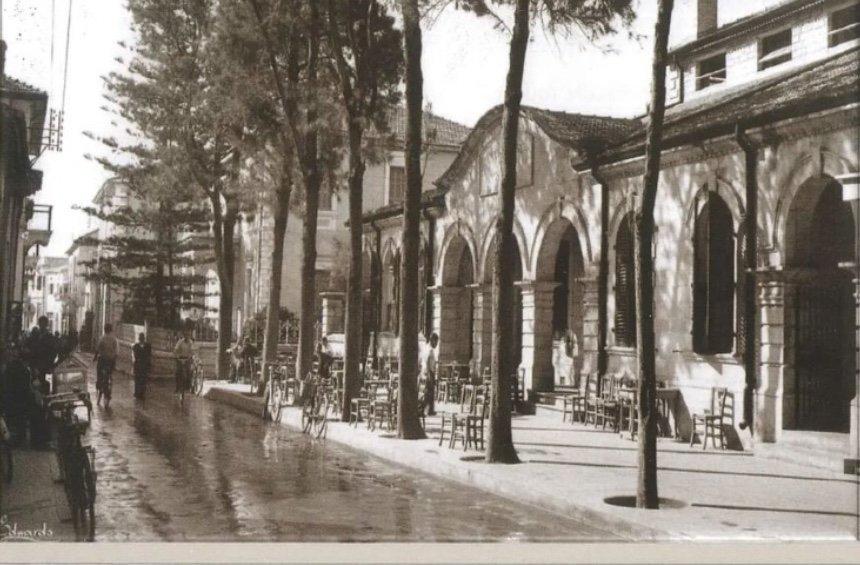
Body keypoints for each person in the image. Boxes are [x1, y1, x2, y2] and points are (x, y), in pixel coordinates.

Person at [94, 324, 118, 408]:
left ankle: (99, 385)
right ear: (111, 330)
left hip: (103, 360)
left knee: (99, 374)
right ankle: (108, 391)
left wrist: (95, 357)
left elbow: (97, 349)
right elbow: (116, 352)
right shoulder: (114, 339)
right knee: (109, 375)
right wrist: (114, 362)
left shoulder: (102, 338)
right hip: (111, 361)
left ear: (104, 330)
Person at [173, 329, 196, 403]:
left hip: (187, 359)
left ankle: (189, 387)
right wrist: (177, 356)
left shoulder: (190, 342)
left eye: (188, 335)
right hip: (180, 358)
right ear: (184, 336)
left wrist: (189, 357)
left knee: (189, 372)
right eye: (186, 335)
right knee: (177, 372)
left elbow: (192, 351)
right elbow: (175, 350)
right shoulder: (180, 342)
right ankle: (177, 387)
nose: (187, 337)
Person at [421, 333, 439, 416]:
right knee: (429, 392)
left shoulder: (426, 348)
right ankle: (425, 409)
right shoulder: (430, 350)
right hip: (429, 372)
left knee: (429, 392)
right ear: (432, 341)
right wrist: (429, 373)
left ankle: (429, 409)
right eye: (436, 342)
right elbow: (427, 361)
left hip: (426, 372)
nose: (436, 344)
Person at [132, 333, 152, 401]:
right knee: (138, 379)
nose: (141, 339)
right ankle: (138, 393)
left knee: (143, 380)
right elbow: (135, 356)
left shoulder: (147, 346)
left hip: (144, 364)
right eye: (141, 338)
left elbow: (149, 356)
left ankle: (142, 393)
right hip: (138, 364)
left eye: (142, 338)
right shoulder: (136, 346)